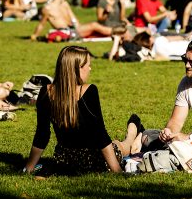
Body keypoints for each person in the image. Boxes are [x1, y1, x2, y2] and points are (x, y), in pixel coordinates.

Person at [23, 45, 143, 174]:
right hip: (95, 159)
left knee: (118, 144)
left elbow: (42, 134)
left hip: (64, 160)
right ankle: (134, 127)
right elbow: (100, 134)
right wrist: (117, 170)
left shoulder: (46, 91)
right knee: (124, 144)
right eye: (88, 65)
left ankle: (135, 129)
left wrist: (28, 168)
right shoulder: (88, 91)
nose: (90, 69)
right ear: (78, 68)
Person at [30, 0, 115, 41]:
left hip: (74, 30)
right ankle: (117, 32)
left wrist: (80, 27)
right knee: (94, 25)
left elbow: (74, 20)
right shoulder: (48, 9)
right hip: (65, 32)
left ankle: (116, 31)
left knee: (94, 28)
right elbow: (41, 24)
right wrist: (34, 35)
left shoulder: (65, 4)